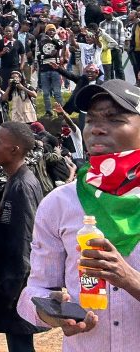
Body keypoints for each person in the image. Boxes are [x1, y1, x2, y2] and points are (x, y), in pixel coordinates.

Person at [17, 78, 140, 350]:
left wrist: (130, 280)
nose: (96, 128)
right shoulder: (59, 204)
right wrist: (51, 313)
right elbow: (35, 292)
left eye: (114, 119)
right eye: (91, 119)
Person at [0, 122, 44, 352]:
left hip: (17, 283)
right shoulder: (14, 181)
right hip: (12, 279)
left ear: (15, 149)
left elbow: (24, 241)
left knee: (20, 343)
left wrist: (12, 289)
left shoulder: (22, 186)